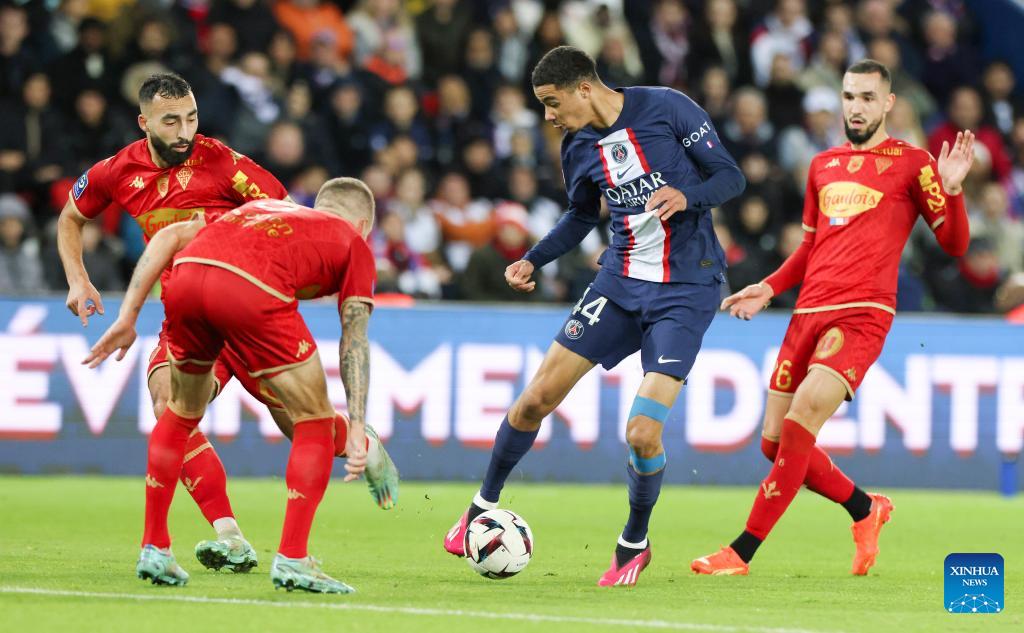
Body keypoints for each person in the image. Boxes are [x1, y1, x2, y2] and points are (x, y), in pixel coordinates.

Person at [57, 73, 396, 576]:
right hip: (190, 308)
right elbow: (70, 217)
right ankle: (230, 536)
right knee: (167, 403)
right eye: (171, 121)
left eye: (192, 118)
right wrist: (78, 279)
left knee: (306, 426)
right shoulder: (116, 171)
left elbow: (285, 219)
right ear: (143, 122)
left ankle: (358, 439)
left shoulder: (224, 164)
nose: (185, 132)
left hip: (250, 312)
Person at [442, 46, 745, 587]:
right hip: (619, 283)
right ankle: (479, 507)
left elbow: (730, 177)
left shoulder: (668, 108)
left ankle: (634, 542)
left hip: (686, 289)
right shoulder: (578, 145)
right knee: (534, 399)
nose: (548, 116)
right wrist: (533, 259)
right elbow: (581, 214)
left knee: (642, 433)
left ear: (584, 88)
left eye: (552, 102)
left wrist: (688, 196)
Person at [691, 59, 972, 576]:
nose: (856, 107)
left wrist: (952, 193)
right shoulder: (823, 165)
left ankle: (741, 551)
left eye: (867, 98)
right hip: (807, 313)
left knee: (800, 422)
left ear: (888, 103)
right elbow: (810, 247)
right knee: (774, 443)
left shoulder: (913, 163)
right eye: (849, 97)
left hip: (862, 315)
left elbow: (954, 244)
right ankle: (866, 509)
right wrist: (769, 287)